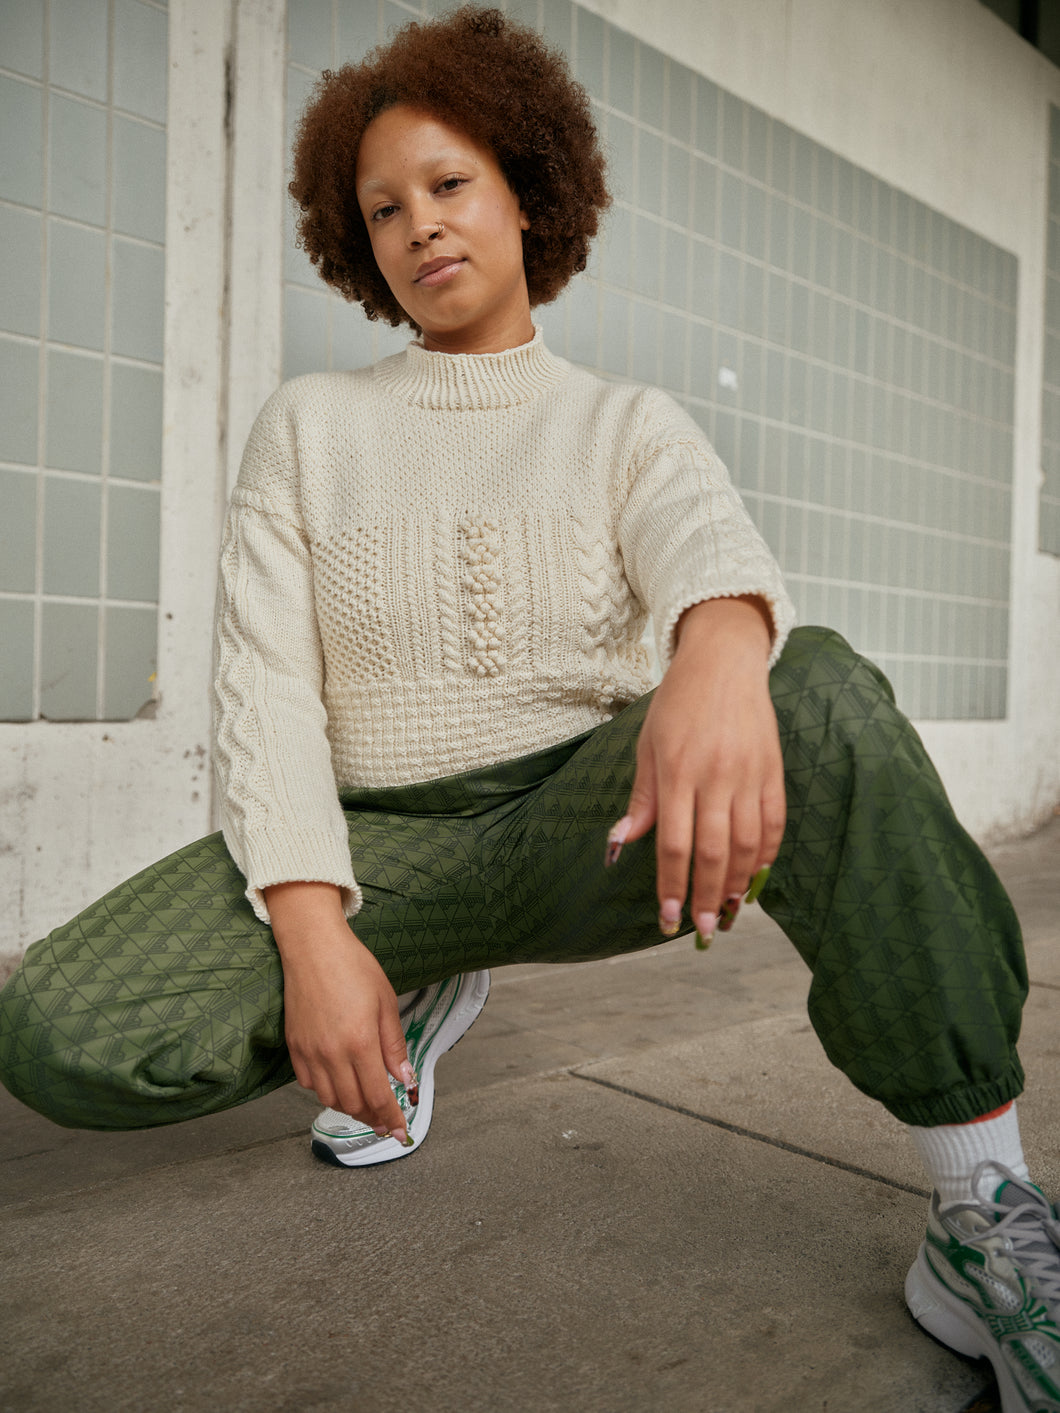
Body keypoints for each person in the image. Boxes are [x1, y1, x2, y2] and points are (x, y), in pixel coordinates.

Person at [0, 8, 1054, 1408]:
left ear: (528, 193)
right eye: (384, 208)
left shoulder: (625, 424)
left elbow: (709, 550)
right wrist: (313, 934)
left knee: (818, 690)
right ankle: (410, 980)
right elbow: (263, 691)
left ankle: (984, 1210)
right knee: (61, 1030)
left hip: (586, 824)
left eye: (450, 184)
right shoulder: (308, 428)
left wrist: (719, 655)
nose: (420, 226)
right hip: (381, 848)